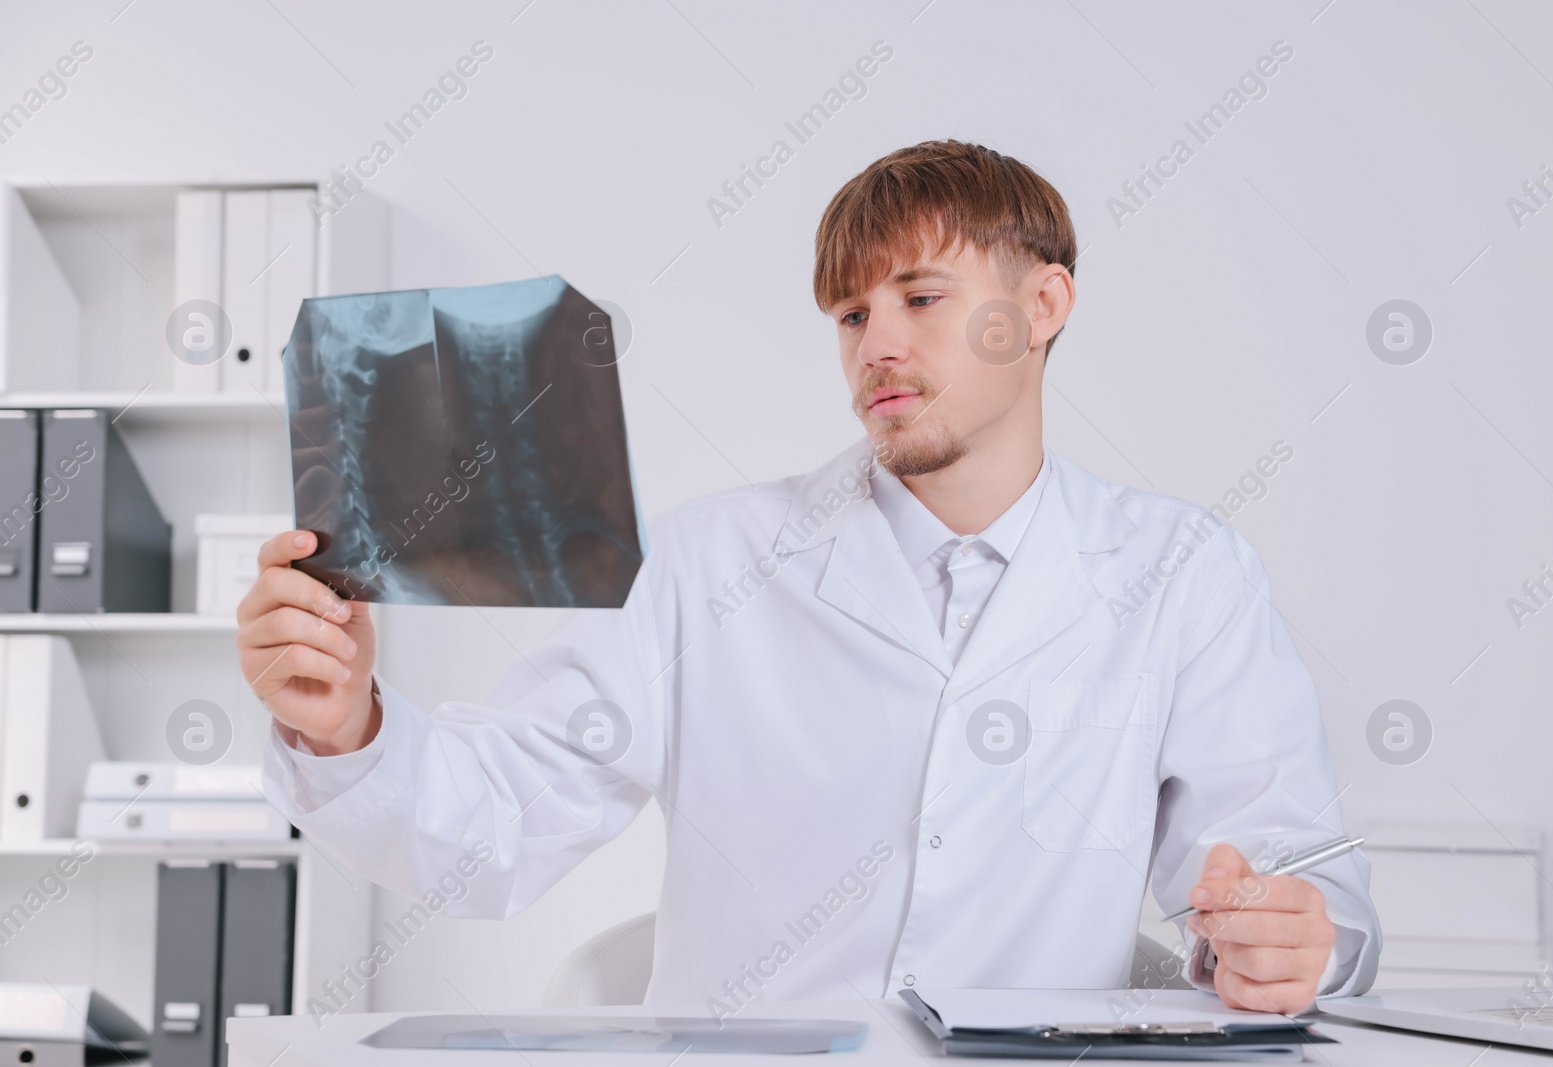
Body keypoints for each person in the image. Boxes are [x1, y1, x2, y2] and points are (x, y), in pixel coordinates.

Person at [240, 139, 1379, 1015]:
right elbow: (492, 834)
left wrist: (1292, 940)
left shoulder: (1181, 575)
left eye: (920, 299)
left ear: (1042, 306)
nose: (876, 344)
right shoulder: (710, 563)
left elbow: (1294, 876)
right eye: (851, 312)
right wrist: (346, 731)